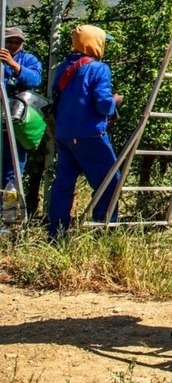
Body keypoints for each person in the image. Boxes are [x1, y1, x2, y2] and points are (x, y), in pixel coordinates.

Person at [46, 25, 123, 240]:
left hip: (64, 135)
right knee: (109, 182)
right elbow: (103, 105)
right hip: (90, 135)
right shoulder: (99, 68)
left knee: (63, 184)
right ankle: (103, 231)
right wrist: (116, 101)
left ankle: (56, 232)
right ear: (94, 43)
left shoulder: (64, 67)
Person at [1, 26, 44, 191]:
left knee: (13, 167)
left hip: (17, 122)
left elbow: (35, 79)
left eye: (17, 42)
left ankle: (9, 205)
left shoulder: (28, 59)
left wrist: (13, 65)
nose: (13, 45)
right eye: (9, 41)